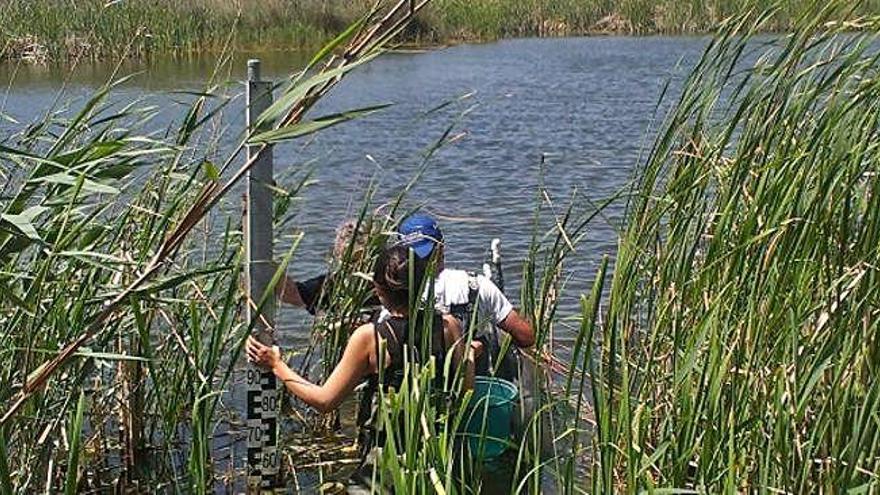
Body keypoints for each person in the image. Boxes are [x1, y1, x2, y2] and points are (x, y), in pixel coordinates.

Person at [246, 243, 473, 466]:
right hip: (438, 454)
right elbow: (467, 389)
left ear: (377, 289)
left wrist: (276, 365)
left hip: (387, 461)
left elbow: (324, 401)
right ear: (423, 283)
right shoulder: (448, 326)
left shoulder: (369, 337)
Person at [395, 212, 534, 379]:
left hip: (415, 386)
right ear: (441, 247)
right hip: (473, 384)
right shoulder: (476, 285)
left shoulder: (393, 295)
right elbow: (526, 336)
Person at [276, 219, 380, 316]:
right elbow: (292, 293)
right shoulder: (386, 278)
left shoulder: (333, 285)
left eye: (340, 239)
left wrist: (270, 267)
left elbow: (289, 293)